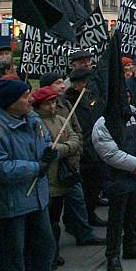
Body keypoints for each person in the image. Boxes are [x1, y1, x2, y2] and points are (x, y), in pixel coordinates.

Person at [0, 79, 59, 271]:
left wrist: (50, 153)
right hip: (10, 203)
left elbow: (45, 143)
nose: (30, 99)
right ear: (11, 102)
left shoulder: (34, 120)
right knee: (12, 255)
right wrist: (36, 167)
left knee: (45, 246)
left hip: (37, 198)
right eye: (25, 96)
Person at [93, 93, 136, 271]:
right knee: (117, 218)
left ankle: (132, 246)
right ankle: (112, 254)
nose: (126, 100)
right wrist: (133, 164)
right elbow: (108, 151)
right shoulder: (103, 122)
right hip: (117, 176)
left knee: (133, 214)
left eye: (127, 96)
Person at [43, 72, 106, 248]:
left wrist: (74, 148)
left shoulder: (66, 104)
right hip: (53, 167)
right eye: (57, 83)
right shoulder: (38, 114)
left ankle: (84, 233)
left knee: (78, 200)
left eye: (62, 82)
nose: (62, 86)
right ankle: (51, 249)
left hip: (71, 162)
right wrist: (66, 148)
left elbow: (76, 131)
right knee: (54, 209)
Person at [31, 86, 82, 271]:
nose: (52, 106)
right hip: (45, 178)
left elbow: (75, 139)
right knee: (44, 224)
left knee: (54, 220)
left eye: (53, 102)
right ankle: (45, 256)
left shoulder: (61, 120)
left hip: (60, 178)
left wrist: (61, 148)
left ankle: (54, 253)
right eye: (47, 103)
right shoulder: (35, 122)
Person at [63, 67, 106, 228]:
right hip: (81, 151)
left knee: (93, 186)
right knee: (82, 189)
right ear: (76, 84)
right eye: (84, 83)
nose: (87, 86)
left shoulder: (87, 98)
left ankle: (90, 213)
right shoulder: (70, 102)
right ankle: (76, 220)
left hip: (92, 147)